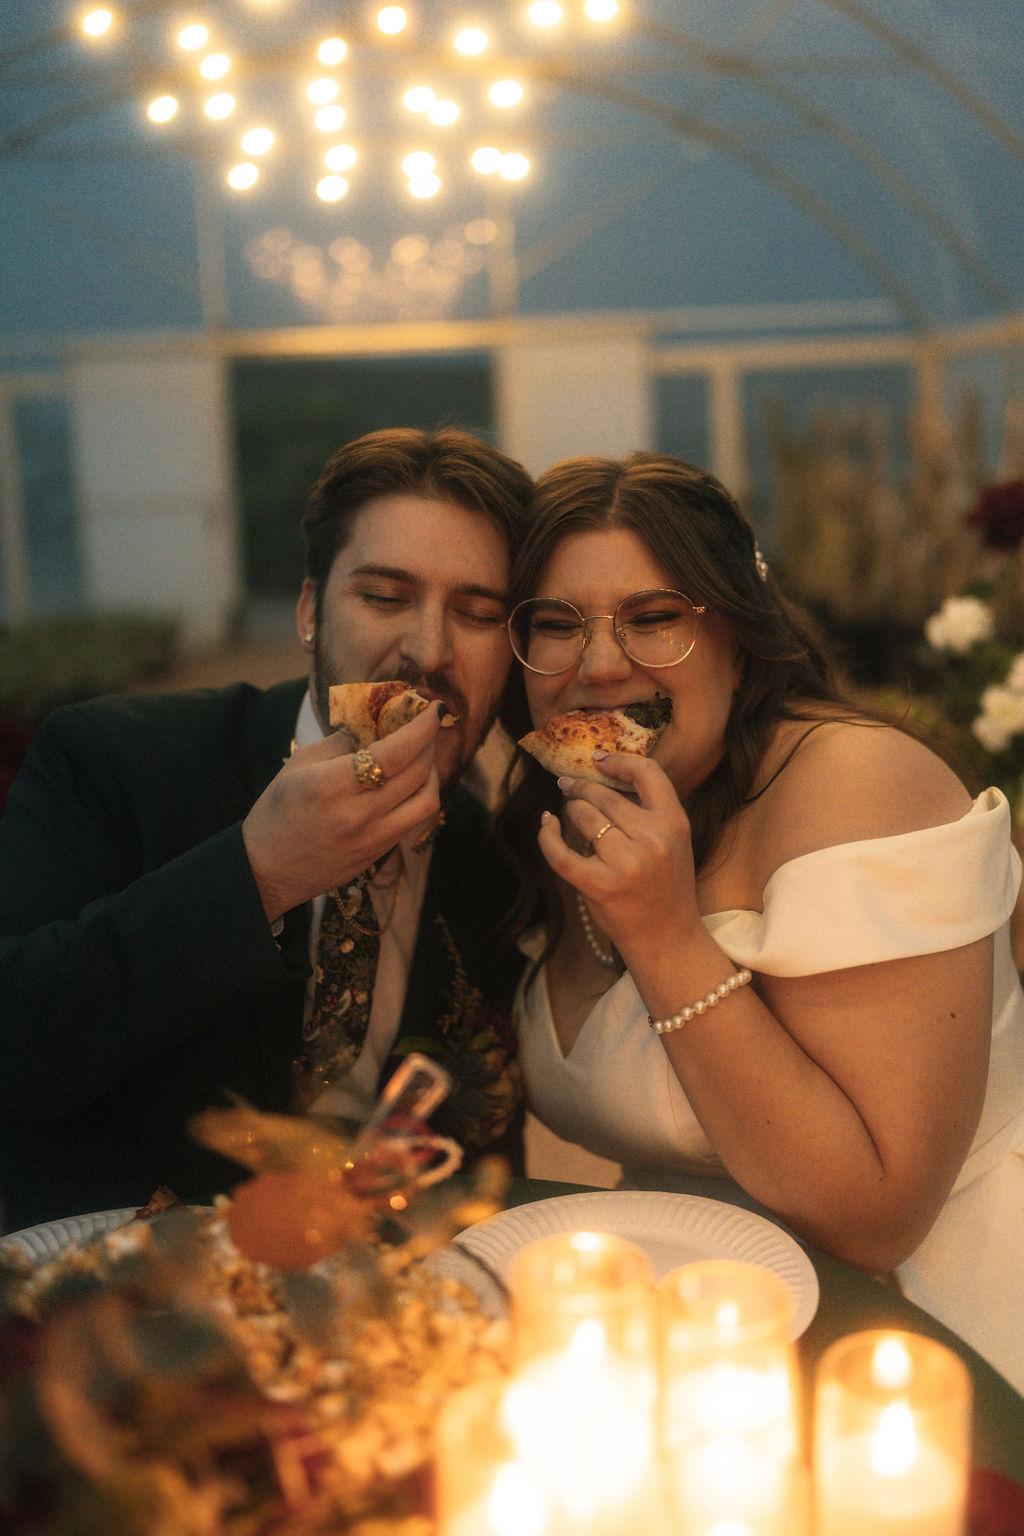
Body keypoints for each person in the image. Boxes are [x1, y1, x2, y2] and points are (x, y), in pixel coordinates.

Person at [496, 450, 1024, 1393]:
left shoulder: (857, 787)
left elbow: (877, 1216)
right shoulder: (560, 814)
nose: (603, 665)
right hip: (694, 1345)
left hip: (920, 1344)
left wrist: (665, 939)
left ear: (739, 637)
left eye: (656, 619)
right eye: (557, 626)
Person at [0, 427, 533, 1233]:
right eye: (385, 597)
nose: (429, 649)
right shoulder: (115, 758)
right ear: (312, 611)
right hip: (125, 1306)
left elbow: (485, 1151)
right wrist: (259, 875)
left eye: (479, 612)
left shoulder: (481, 853)